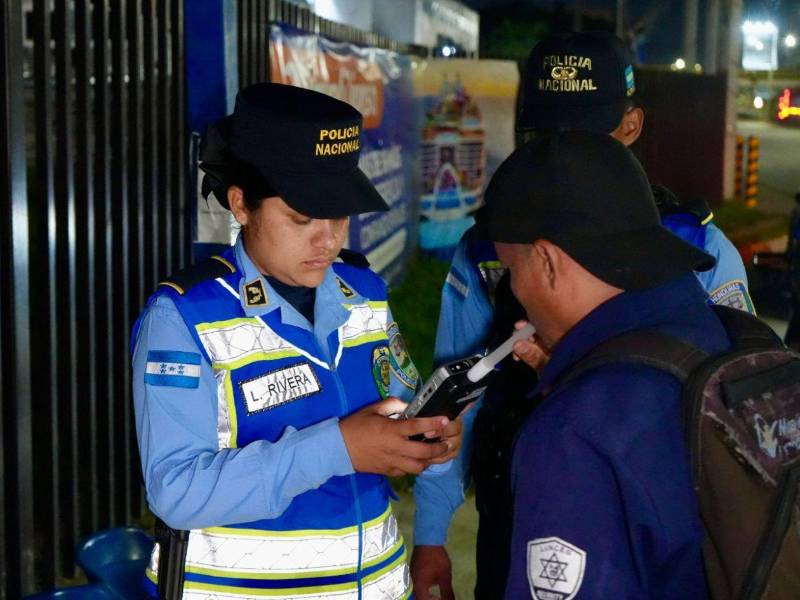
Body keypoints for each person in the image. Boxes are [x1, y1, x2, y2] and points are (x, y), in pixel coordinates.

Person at [410, 31, 750, 599]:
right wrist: (430, 533)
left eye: (588, 133)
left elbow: (735, 425)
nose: (562, 153)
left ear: (632, 125)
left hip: (670, 538)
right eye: (544, 133)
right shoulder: (491, 246)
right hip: (519, 512)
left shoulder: (700, 248)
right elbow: (454, 398)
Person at [131, 82, 463, 599]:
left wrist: (429, 441)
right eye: (302, 218)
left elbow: (405, 404)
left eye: (338, 215)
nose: (328, 239)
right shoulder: (184, 316)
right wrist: (339, 449)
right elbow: (176, 490)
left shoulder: (365, 293)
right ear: (241, 205)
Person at [486, 131, 727, 598]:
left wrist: (575, 403)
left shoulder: (572, 434)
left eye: (510, 270)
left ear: (547, 261)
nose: (512, 290)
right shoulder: (714, 334)